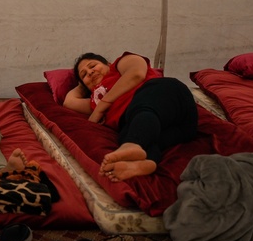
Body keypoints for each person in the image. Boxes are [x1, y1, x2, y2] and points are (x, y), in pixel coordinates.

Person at [62, 51, 198, 182]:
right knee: (128, 133)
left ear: (108, 64)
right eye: (84, 74)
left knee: (142, 110)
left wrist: (100, 108)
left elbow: (136, 74)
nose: (90, 72)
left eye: (92, 66)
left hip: (169, 98)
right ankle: (146, 162)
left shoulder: (120, 65)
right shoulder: (94, 99)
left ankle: (132, 145)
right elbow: (69, 102)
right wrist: (83, 85)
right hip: (178, 130)